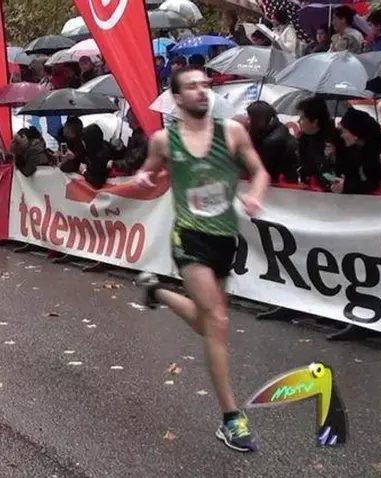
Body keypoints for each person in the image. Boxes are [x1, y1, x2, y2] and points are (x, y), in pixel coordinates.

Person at [132, 66, 270, 453]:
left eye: (205, 85)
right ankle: (231, 419)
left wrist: (256, 194)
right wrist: (142, 178)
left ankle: (157, 292)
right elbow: (146, 172)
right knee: (218, 321)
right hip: (188, 237)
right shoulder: (164, 140)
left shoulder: (233, 132)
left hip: (224, 238)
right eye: (191, 86)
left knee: (205, 324)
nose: (201, 91)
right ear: (176, 98)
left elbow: (259, 171)